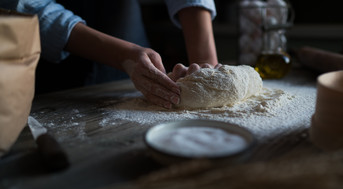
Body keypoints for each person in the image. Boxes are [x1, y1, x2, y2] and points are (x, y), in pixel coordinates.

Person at [0, 0, 218, 109]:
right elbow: (22, 3)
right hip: (47, 56)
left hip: (123, 25)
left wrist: (205, 64)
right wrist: (124, 55)